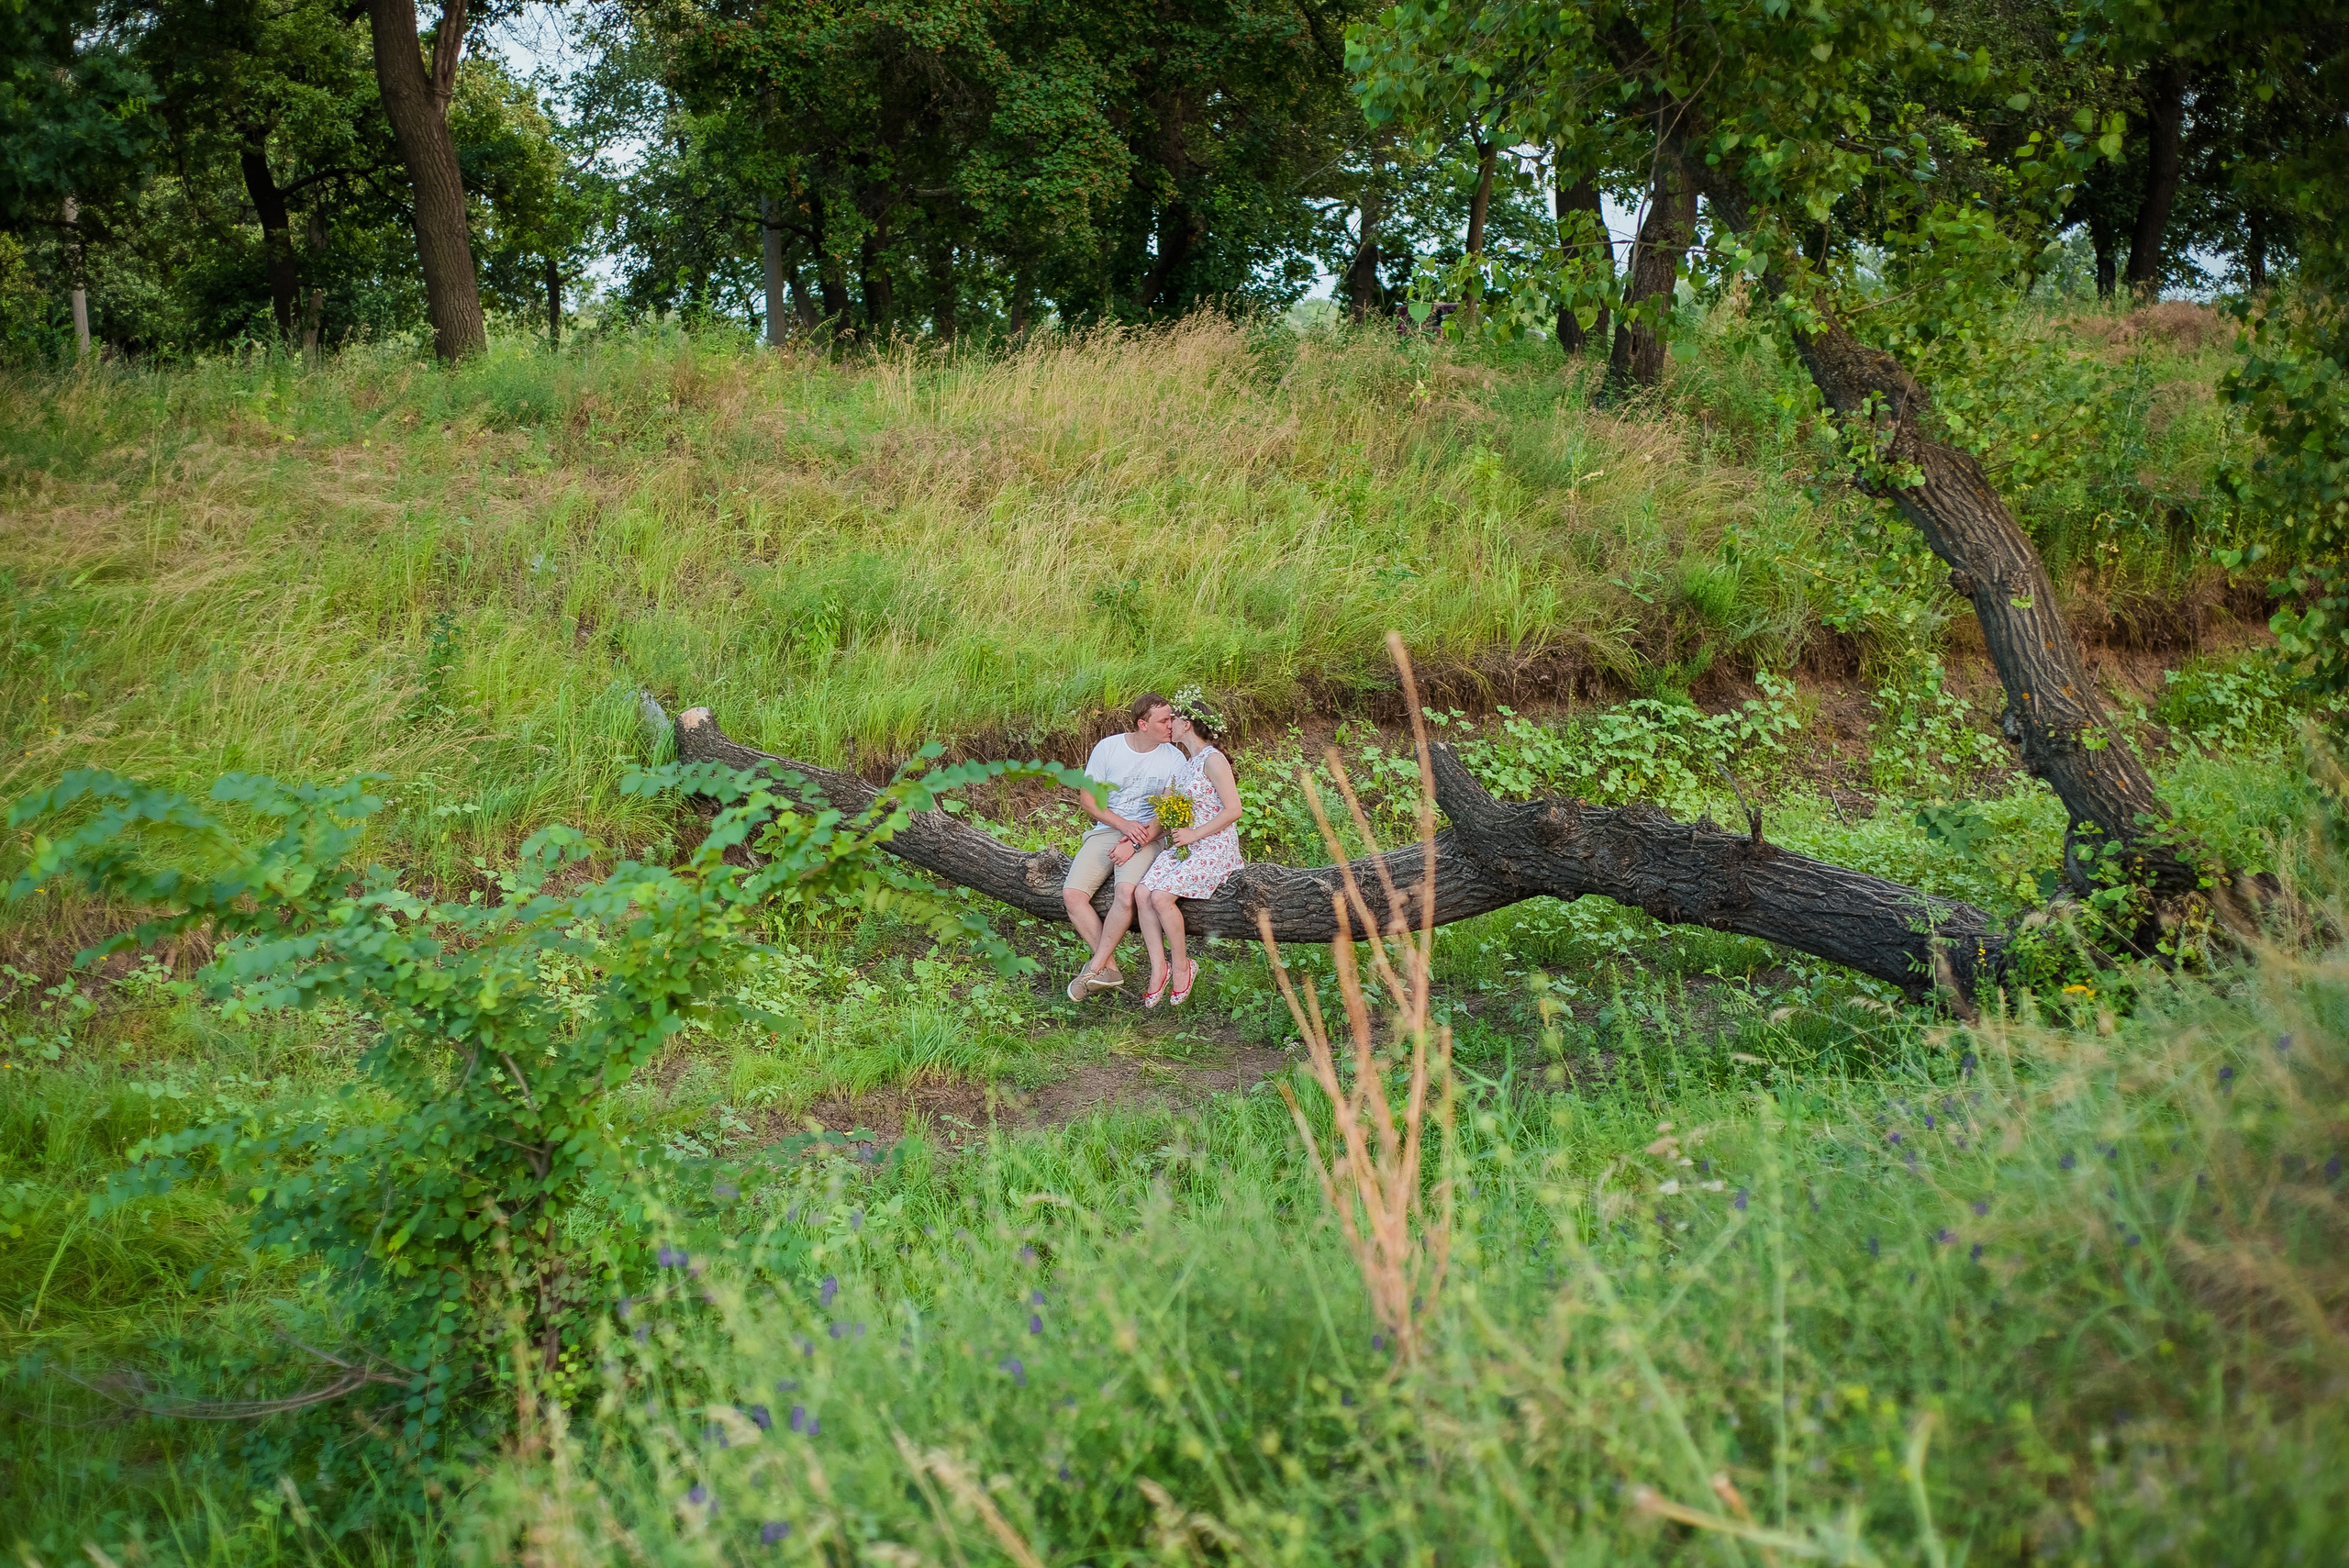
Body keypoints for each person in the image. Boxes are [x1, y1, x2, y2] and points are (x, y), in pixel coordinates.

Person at [1063, 692, 1186, 1002]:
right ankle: (1109, 968)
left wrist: (1135, 840)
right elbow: (1088, 801)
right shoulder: (1109, 748)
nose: (1171, 725)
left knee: (1125, 892)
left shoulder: (1175, 757)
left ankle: (1094, 967)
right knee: (1072, 895)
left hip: (1149, 835)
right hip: (1110, 828)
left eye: (1171, 718)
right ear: (1143, 724)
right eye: (1164, 720)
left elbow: (1167, 815)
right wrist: (1123, 827)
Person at [1133, 694, 1243, 1007]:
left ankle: (1183, 966)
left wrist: (1194, 833)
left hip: (1213, 845)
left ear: (1188, 724)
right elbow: (1167, 812)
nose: (1170, 724)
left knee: (1160, 897)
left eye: (1174, 719)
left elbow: (1234, 809)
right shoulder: (1184, 765)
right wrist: (1137, 838)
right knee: (1142, 894)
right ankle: (1159, 969)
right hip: (1186, 845)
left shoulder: (1213, 759)